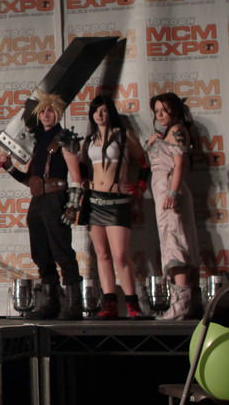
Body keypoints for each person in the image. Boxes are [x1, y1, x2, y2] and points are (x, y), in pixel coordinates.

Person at [1, 94, 85, 320]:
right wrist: (9, 167)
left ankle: (74, 304)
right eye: (42, 111)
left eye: (50, 110)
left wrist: (72, 206)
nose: (46, 114)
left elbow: (76, 177)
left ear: (58, 113)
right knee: (40, 252)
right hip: (38, 200)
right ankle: (51, 303)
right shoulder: (38, 141)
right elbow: (31, 180)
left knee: (62, 251)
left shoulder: (64, 138)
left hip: (56, 198)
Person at [77, 96, 146, 319]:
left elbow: (144, 162)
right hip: (94, 201)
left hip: (118, 201)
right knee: (102, 254)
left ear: (111, 113)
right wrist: (84, 182)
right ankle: (110, 304)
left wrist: (139, 187)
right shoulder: (89, 140)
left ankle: (133, 305)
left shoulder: (124, 135)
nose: (100, 115)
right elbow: (82, 167)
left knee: (120, 255)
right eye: (96, 111)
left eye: (104, 110)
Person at [145, 92, 201, 320]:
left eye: (164, 110)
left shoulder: (177, 130)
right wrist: (152, 143)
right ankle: (188, 302)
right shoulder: (166, 133)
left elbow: (179, 165)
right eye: (157, 111)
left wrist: (172, 192)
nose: (160, 115)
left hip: (170, 194)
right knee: (172, 241)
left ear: (174, 111)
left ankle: (181, 305)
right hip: (161, 194)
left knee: (174, 243)